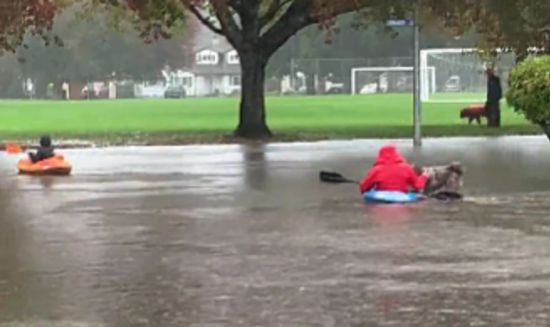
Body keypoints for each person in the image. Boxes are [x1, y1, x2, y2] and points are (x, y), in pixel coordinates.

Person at [359, 144, 428, 194]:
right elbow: (418, 185)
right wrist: (424, 176)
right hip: (402, 196)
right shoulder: (407, 168)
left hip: (382, 198)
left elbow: (364, 187)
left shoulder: (376, 170)